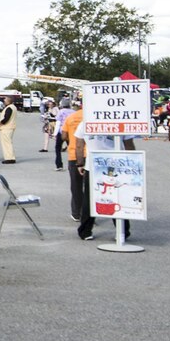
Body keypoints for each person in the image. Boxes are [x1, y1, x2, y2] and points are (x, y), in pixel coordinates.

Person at [64, 103, 93, 241]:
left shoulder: (71, 117)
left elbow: (64, 135)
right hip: (91, 155)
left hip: (74, 154)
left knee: (76, 186)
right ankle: (91, 214)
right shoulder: (93, 118)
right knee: (90, 189)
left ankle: (77, 213)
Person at [0, 96, 19, 164]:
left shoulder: (9, 108)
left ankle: (9, 158)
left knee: (6, 144)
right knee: (8, 143)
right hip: (10, 127)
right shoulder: (13, 107)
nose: (4, 100)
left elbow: (6, 119)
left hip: (6, 128)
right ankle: (10, 157)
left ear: (9, 100)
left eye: (5, 99)